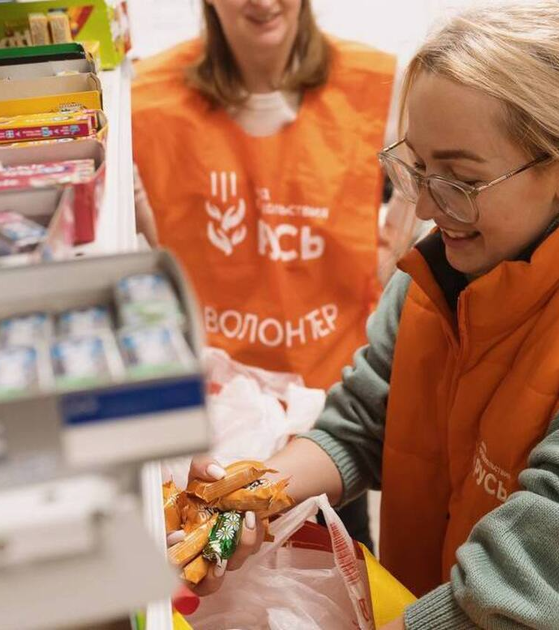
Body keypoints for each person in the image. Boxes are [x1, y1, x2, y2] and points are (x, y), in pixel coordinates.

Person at [188, 3, 559, 627]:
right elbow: (363, 422)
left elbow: (518, 593)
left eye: (458, 180)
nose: (428, 208)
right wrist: (248, 495)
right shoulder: (449, 269)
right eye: (418, 169)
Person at [132, 0, 416, 581]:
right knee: (217, 571)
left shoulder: (377, 85)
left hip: (329, 417)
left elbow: (422, 181)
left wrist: (393, 241)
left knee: (343, 575)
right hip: (217, 426)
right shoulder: (145, 98)